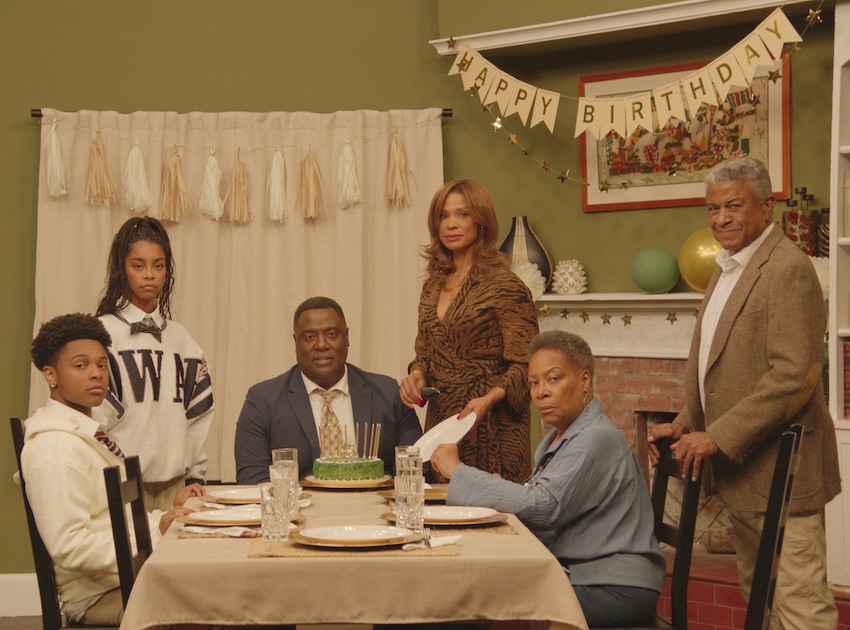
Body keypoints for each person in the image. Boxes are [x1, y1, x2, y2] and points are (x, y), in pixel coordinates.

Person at [648, 157, 840, 630]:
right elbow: (717, 369)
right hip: (748, 475)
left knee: (800, 606)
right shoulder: (728, 267)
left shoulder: (787, 269)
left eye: (734, 206)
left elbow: (794, 376)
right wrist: (686, 423)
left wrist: (716, 437)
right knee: (761, 601)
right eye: (713, 209)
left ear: (767, 206)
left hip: (783, 471)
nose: (721, 219)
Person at [431, 330, 665, 628]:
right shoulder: (560, 438)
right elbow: (545, 499)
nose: (541, 392)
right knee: (472, 596)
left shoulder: (594, 438)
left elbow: (544, 507)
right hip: (580, 574)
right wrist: (496, 487)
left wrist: (458, 471)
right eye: (534, 383)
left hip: (613, 585)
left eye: (553, 379)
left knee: (476, 605)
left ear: (584, 380)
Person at [21, 313, 203, 626]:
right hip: (98, 594)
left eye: (102, 365)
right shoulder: (55, 447)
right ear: (50, 374)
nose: (96, 374)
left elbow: (114, 519)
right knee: (216, 601)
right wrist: (158, 532)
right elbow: (70, 547)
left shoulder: (88, 433)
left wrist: (168, 516)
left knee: (220, 582)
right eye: (81, 365)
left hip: (126, 576)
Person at [399, 179, 538, 483]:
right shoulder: (432, 286)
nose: (451, 224)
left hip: (494, 424)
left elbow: (527, 364)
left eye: (462, 214)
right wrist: (417, 376)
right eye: (443, 216)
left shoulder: (505, 285)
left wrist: (489, 399)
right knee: (441, 505)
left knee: (490, 507)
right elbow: (424, 353)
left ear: (481, 221)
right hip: (444, 420)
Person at [235, 296, 423, 484]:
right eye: (309, 337)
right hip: (301, 502)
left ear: (347, 337)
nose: (322, 345)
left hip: (374, 500)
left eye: (332, 334)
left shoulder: (388, 393)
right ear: (296, 342)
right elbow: (252, 479)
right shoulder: (263, 401)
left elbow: (416, 467)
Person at [95, 217, 214, 510]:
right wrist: (115, 465)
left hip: (175, 486)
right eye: (138, 266)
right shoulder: (101, 335)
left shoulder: (182, 341)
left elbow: (198, 414)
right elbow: (93, 416)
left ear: (167, 270)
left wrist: (195, 475)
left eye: (158, 266)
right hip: (119, 484)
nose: (149, 275)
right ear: (121, 269)